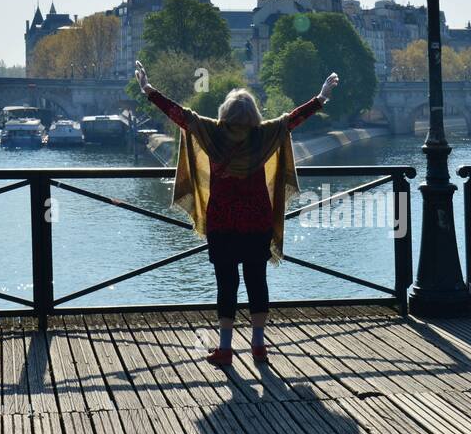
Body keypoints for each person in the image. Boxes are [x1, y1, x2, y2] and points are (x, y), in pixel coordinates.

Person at [135, 61, 339, 367]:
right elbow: (292, 120)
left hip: (223, 223)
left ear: (225, 113)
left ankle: (226, 348)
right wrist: (320, 98)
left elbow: (178, 114)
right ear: (254, 113)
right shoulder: (263, 135)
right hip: (257, 221)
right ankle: (259, 345)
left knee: (225, 284)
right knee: (257, 281)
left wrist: (149, 90)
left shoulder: (212, 133)